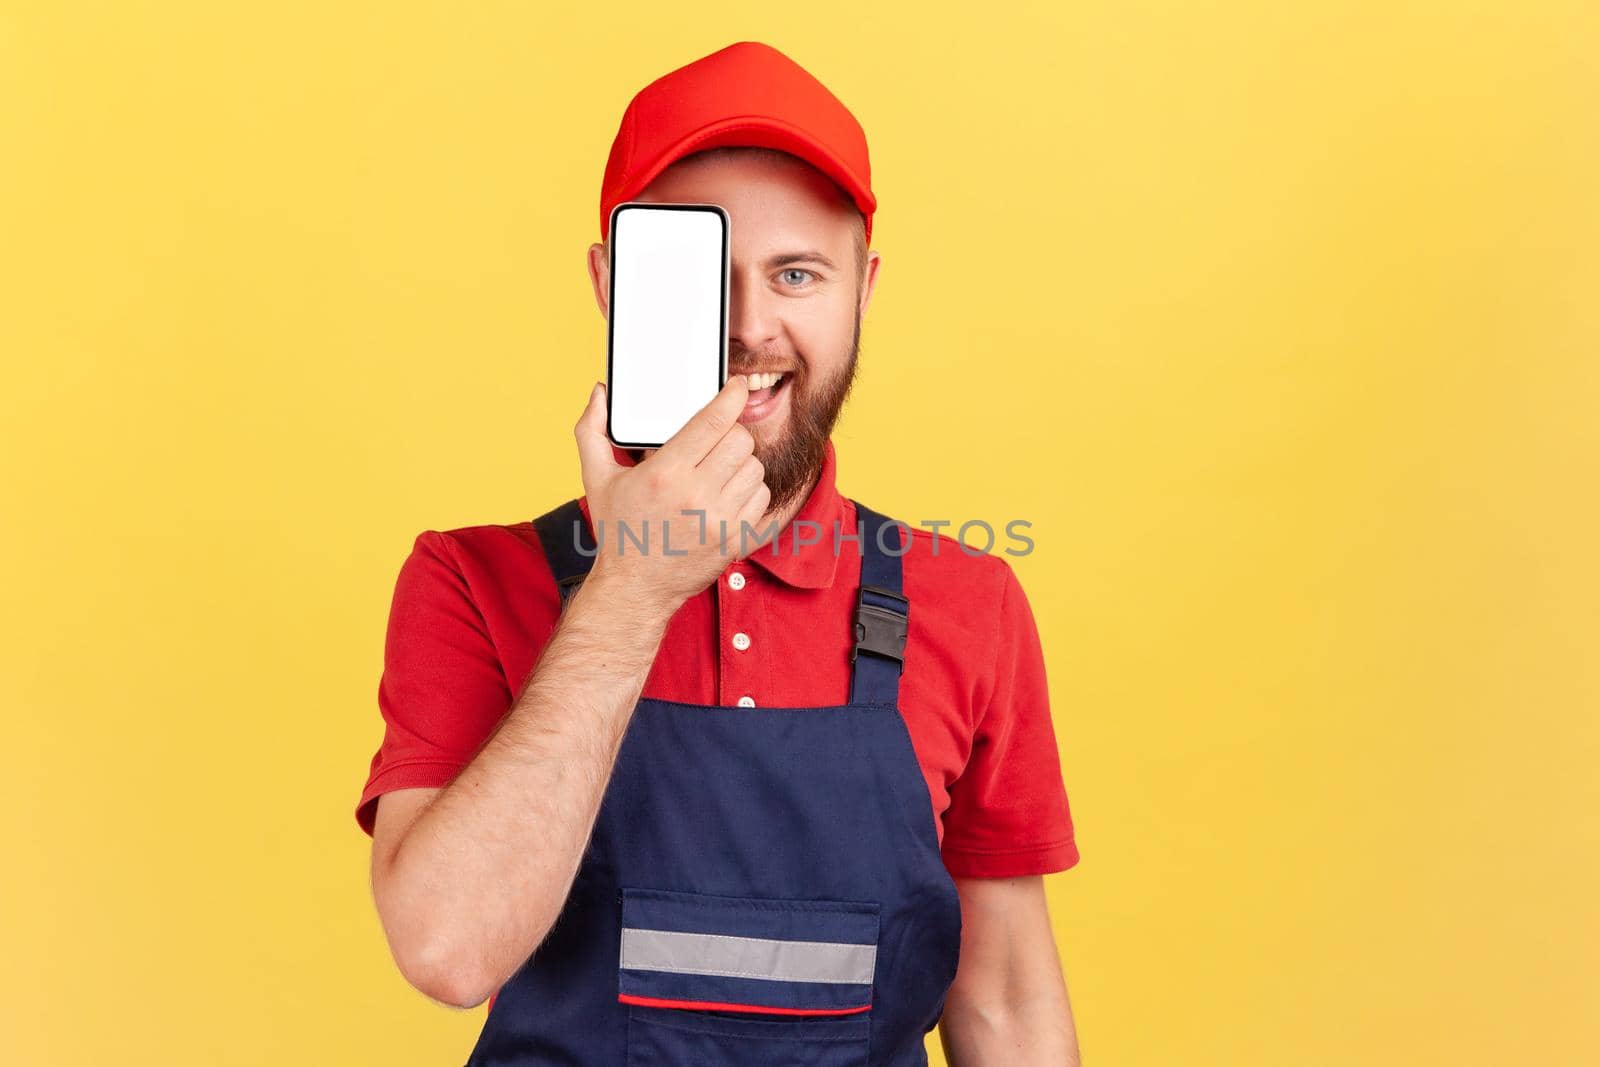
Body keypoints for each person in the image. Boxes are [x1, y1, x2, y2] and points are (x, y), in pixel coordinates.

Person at [355, 40, 1082, 1066]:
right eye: (701, 277)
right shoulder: (470, 582)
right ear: (610, 283)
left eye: (796, 272)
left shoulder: (969, 602)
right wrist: (628, 589)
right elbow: (447, 947)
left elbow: (1003, 999)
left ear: (862, 289)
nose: (749, 328)